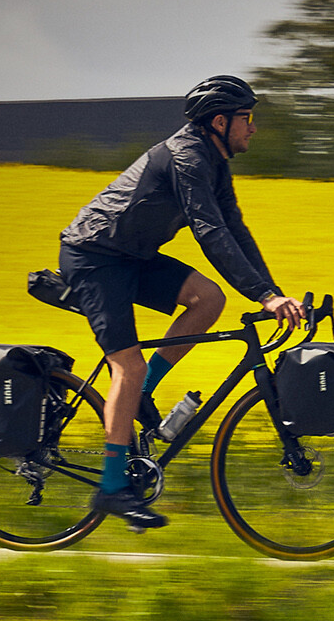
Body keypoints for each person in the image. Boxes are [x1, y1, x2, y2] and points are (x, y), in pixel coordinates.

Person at [58, 75, 304, 530]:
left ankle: (143, 395)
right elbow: (208, 231)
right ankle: (111, 488)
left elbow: (235, 230)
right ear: (219, 121)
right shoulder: (187, 157)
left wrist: (274, 292)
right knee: (125, 367)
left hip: (132, 257)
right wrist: (265, 297)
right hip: (94, 257)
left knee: (208, 299)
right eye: (246, 119)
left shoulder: (215, 161)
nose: (253, 128)